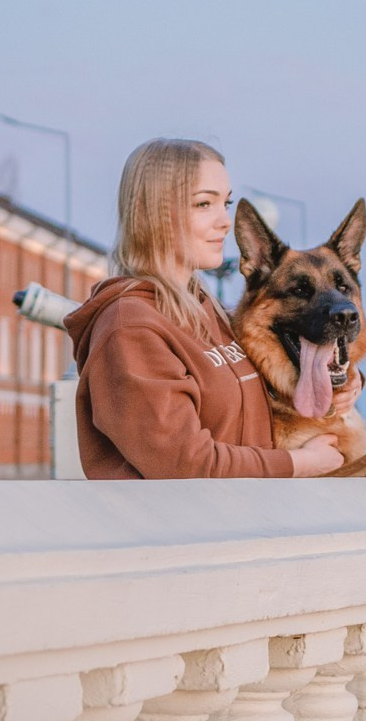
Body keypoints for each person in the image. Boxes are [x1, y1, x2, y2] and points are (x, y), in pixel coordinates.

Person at [64, 137, 349, 480]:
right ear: (154, 214)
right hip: (182, 530)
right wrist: (299, 464)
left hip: (238, 519)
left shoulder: (203, 308)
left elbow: (270, 366)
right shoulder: (131, 327)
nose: (225, 222)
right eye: (203, 204)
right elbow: (182, 462)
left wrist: (346, 381)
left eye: (225, 203)